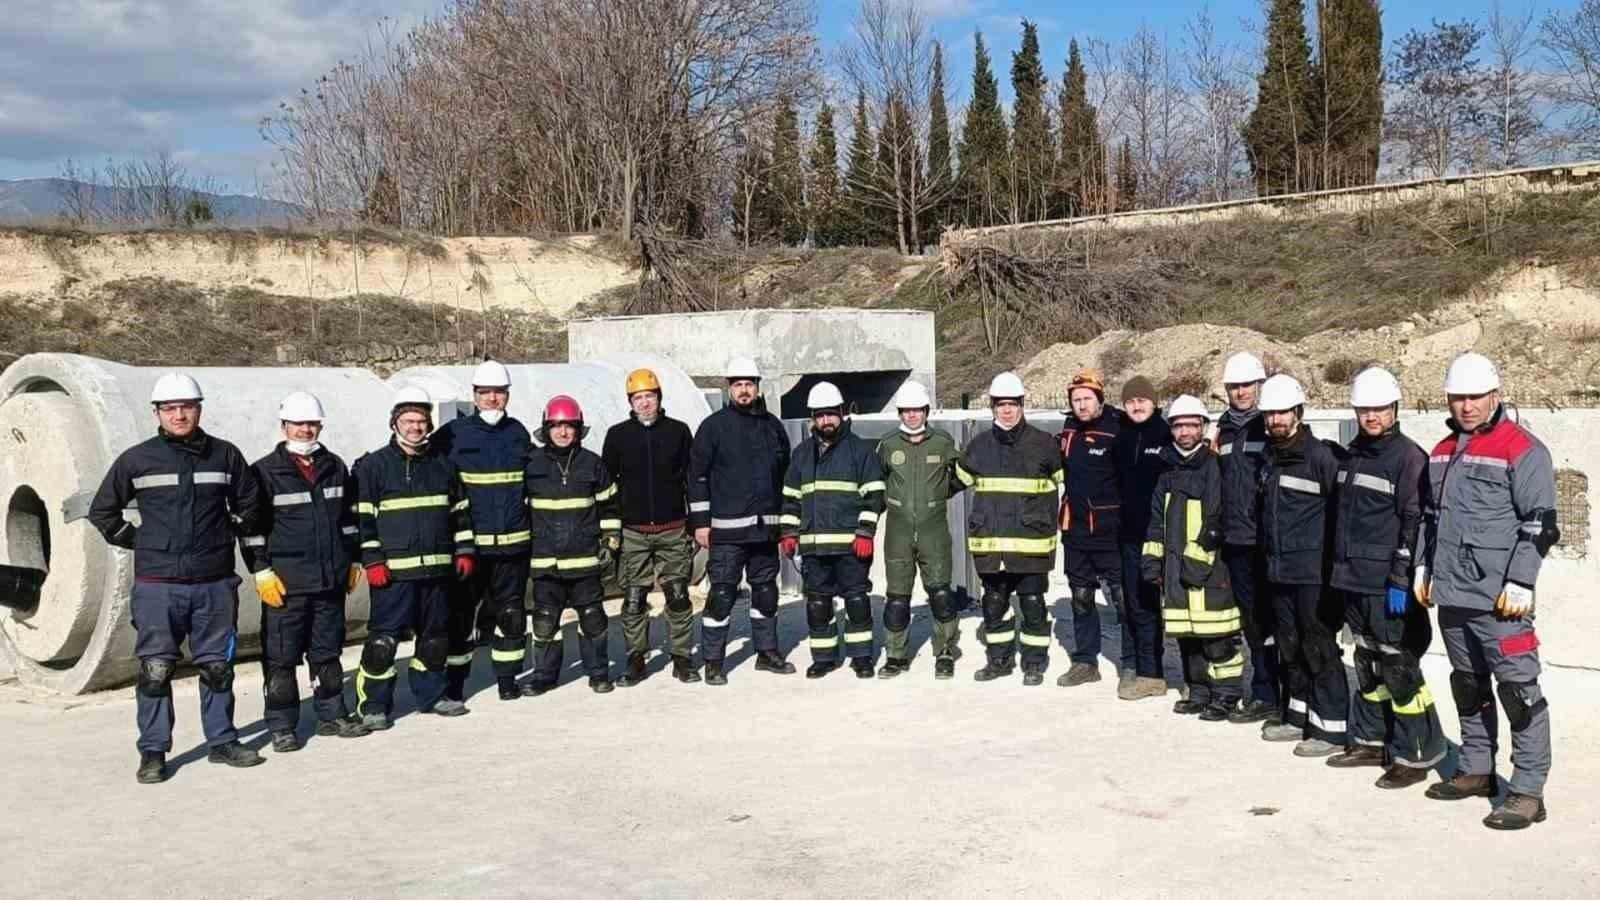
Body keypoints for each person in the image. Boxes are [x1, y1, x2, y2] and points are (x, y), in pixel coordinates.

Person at [88, 372, 267, 783]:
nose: (179, 414)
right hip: (157, 584)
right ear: (157, 413)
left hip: (214, 582)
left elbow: (250, 508)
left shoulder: (225, 456)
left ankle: (222, 741)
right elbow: (103, 511)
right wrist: (141, 541)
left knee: (218, 667)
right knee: (155, 669)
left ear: (199, 409)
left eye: (187, 407)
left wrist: (231, 540)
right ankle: (153, 751)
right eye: (170, 408)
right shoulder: (137, 459)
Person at [1419, 352, 1559, 830]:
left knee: (1519, 693)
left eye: (1475, 396)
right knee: (1468, 686)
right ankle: (1477, 769)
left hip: (1500, 600)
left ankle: (1527, 790)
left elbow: (1540, 524)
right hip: (1453, 598)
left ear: (1495, 395)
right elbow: (1429, 520)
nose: (1466, 405)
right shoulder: (1440, 451)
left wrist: (1522, 579)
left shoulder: (1522, 449)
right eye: (1457, 397)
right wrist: (1423, 568)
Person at [1323, 368, 1446, 789]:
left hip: (1385, 584)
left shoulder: (1409, 458)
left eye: (1379, 408)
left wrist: (1400, 578)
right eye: (1364, 409)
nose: (1371, 416)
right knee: (1368, 662)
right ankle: (1372, 740)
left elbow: (1415, 521)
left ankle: (1416, 754)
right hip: (1353, 580)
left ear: (1395, 409)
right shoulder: (1351, 455)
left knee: (1398, 666)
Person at [241, 392, 370, 752]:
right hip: (286, 584)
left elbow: (348, 520)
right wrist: (261, 570)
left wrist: (353, 559)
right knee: (281, 659)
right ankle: (282, 726)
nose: (305, 429)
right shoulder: (264, 471)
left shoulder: (334, 465)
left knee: (327, 653)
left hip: (329, 581)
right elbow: (251, 529)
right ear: (284, 427)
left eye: (311, 423)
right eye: (298, 423)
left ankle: (332, 715)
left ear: (320, 425)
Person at [352, 387, 477, 728]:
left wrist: (464, 551)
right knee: (382, 643)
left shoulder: (443, 465)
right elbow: (363, 518)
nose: (415, 427)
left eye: (421, 421)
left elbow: (460, 514)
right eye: (408, 420)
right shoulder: (374, 467)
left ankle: (432, 696)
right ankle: (374, 706)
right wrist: (372, 560)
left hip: (437, 571)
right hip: (393, 574)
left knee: (435, 639)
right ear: (394, 423)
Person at [430, 360, 534, 703]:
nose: (492, 399)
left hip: (513, 548)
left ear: (507, 395)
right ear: (474, 395)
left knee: (511, 616)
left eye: (499, 393)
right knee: (460, 618)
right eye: (485, 392)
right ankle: (455, 685)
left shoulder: (518, 432)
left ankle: (507, 680)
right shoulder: (453, 435)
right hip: (470, 549)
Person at [687, 356, 795, 684]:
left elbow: (786, 477)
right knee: (721, 594)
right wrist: (701, 523)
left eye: (749, 384)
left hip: (765, 531)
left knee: (766, 592)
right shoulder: (714, 427)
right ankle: (714, 660)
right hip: (727, 532)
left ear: (758, 387)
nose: (744, 390)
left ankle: (766, 652)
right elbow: (697, 477)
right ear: (729, 388)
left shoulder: (773, 426)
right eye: (738, 385)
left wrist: (787, 523)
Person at [1256, 374, 1348, 756]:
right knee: (1289, 644)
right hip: (1278, 569)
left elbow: (1339, 514)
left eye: (1283, 412)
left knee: (1318, 645)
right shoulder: (1269, 457)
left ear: (1298, 412)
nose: (1276, 419)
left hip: (1313, 573)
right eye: (1270, 413)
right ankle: (1298, 715)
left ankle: (1331, 728)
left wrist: (1334, 572)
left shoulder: (1320, 457)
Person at [957, 372, 1063, 686]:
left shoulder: (1044, 444)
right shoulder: (978, 446)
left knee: (1032, 603)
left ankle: (1034, 662)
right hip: (992, 544)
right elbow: (951, 483)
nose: (1007, 411)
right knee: (994, 603)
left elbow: (1071, 488)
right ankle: (1000, 660)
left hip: (1031, 543)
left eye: (1012, 404)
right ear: (992, 407)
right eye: (1001, 404)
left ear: (1022, 406)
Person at [1141, 395, 1243, 720]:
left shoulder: (1214, 467)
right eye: (1179, 425)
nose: (1185, 431)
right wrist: (1152, 562)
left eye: (1191, 424)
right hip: (1174, 573)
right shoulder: (1166, 472)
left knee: (1217, 639)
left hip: (1210, 571)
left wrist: (1198, 560)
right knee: (1188, 638)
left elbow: (1218, 517)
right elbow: (1156, 522)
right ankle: (1198, 691)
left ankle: (1227, 694)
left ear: (1203, 427)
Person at [780, 382, 886, 679]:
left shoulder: (860, 451)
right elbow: (790, 497)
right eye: (820, 415)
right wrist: (788, 533)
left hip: (851, 547)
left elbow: (875, 494)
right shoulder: (801, 454)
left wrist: (865, 533)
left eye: (831, 414)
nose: (826, 421)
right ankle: (824, 658)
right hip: (814, 548)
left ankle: (862, 657)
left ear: (842, 414)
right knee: (817, 604)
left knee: (856, 602)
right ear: (812, 418)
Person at [602, 368, 699, 686]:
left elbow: (693, 481)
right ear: (630, 401)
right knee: (633, 597)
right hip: (634, 530)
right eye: (638, 398)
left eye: (650, 396)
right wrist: (612, 529)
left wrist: (696, 522)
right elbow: (608, 487)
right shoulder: (617, 436)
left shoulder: (679, 432)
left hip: (673, 528)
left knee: (678, 595)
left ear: (659, 398)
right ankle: (636, 657)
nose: (645, 403)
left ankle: (682, 657)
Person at [522, 395, 623, 695]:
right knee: (544, 622)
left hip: (584, 561)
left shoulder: (593, 464)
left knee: (592, 619)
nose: (563, 432)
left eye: (569, 426)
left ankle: (598, 673)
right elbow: (518, 510)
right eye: (557, 426)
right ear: (546, 429)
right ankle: (544, 675)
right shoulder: (532, 464)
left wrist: (611, 541)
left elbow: (611, 506)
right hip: (545, 562)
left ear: (579, 429)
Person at [874, 380, 965, 679]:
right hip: (898, 534)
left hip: (934, 532)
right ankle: (896, 656)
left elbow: (962, 475)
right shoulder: (887, 445)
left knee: (940, 594)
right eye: (906, 411)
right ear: (899, 413)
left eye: (917, 410)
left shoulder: (942, 442)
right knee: (898, 599)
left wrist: (940, 494)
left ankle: (945, 651)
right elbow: (875, 484)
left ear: (926, 411)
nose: (912, 416)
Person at [1215, 351, 1282, 725]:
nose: (1241, 392)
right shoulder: (1222, 431)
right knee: (1253, 621)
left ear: (1259, 386)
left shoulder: (1271, 424)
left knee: (1278, 621)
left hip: (1266, 540)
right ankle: (1263, 691)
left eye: (1247, 385)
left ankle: (1284, 693)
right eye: (1234, 386)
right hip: (1235, 540)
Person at [1057, 369, 1125, 688]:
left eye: (1087, 399)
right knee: (1081, 597)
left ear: (1100, 399)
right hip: (1076, 531)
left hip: (1112, 531)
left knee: (1124, 600)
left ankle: (1135, 662)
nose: (1082, 406)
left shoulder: (1118, 427)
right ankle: (1086, 661)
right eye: (1076, 400)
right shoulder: (1069, 427)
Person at [1113, 375, 1171, 700]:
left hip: (1164, 534)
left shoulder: (1164, 434)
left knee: (1175, 605)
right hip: (1131, 536)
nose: (1137, 406)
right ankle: (1149, 673)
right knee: (1138, 604)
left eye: (1142, 400)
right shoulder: (1120, 438)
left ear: (1153, 403)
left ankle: (1196, 676)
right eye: (1131, 401)